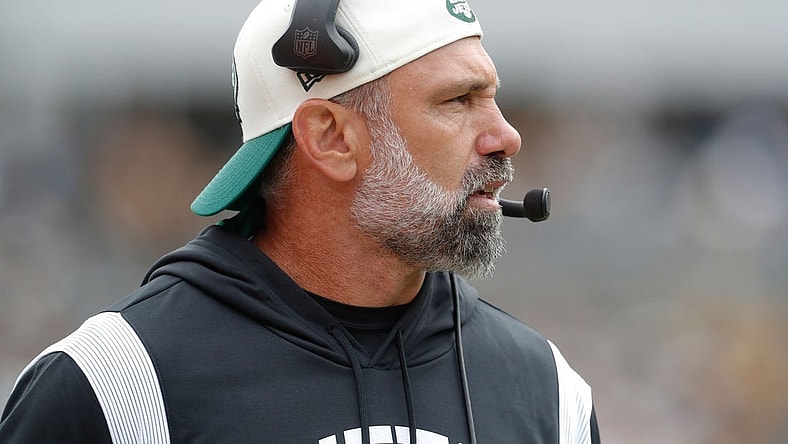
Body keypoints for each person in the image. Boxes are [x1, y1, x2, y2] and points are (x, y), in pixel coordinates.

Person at [0, 0, 600, 442]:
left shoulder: (549, 392)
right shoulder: (115, 387)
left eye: (492, 98)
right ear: (330, 138)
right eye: (458, 101)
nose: (506, 136)